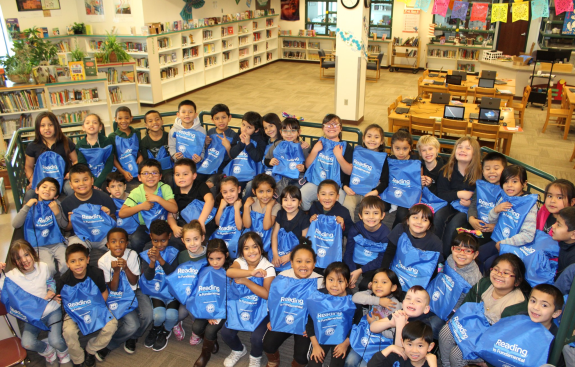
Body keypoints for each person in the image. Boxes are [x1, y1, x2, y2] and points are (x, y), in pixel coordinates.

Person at [438, 253, 530, 367]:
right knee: (445, 332)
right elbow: (467, 304)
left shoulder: (518, 306)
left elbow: (508, 342)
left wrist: (488, 362)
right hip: (473, 326)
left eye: (506, 273)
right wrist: (455, 319)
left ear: (518, 280)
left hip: (490, 342)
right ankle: (445, 364)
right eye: (496, 270)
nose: (499, 275)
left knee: (457, 354)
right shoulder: (484, 284)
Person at [0, 240, 70, 365]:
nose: (24, 260)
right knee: (27, 343)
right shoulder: (11, 277)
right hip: (33, 317)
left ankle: (64, 354)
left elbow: (51, 280)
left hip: (52, 309)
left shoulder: (43, 266)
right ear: (15, 261)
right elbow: (3, 290)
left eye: (26, 255)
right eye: (18, 258)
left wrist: (51, 290)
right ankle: (48, 351)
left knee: (56, 341)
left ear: (33, 254)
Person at [58, 244, 119, 367]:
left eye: (81, 259)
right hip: (74, 311)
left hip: (95, 306)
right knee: (68, 331)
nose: (78, 264)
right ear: (67, 264)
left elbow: (104, 292)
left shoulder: (96, 273)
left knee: (112, 325)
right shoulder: (64, 280)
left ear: (87, 259)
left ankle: (91, 349)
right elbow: (61, 300)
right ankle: (78, 359)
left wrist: (97, 310)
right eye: (73, 261)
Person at [263, 244, 323, 367]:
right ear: (291, 263)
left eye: (308, 262)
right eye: (299, 261)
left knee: (302, 358)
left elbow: (323, 310)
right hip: (283, 319)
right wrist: (272, 318)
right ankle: (274, 361)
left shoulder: (320, 282)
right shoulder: (282, 277)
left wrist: (314, 328)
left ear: (314, 264)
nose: (303, 266)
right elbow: (274, 301)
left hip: (305, 326)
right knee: (267, 344)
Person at [96, 228, 152, 360]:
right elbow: (113, 289)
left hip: (134, 290)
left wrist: (125, 268)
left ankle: (133, 337)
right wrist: (116, 271)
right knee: (132, 325)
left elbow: (134, 281)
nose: (118, 245)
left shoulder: (132, 255)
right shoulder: (103, 261)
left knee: (149, 315)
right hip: (118, 295)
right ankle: (110, 345)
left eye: (122, 241)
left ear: (126, 243)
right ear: (107, 244)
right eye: (114, 242)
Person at [222, 232, 276, 367]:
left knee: (256, 338)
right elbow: (229, 272)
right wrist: (251, 273)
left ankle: (255, 356)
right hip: (242, 304)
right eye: (246, 248)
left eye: (255, 247)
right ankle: (238, 350)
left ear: (261, 249)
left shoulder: (268, 267)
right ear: (241, 251)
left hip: (263, 309)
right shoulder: (240, 261)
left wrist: (246, 281)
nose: (251, 251)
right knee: (226, 332)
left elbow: (266, 294)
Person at [477, 165, 538, 272]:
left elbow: (528, 235)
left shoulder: (529, 205)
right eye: (505, 182)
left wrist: (505, 243)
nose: (509, 186)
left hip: (514, 247)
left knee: (491, 265)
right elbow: (491, 220)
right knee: (477, 254)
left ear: (524, 184)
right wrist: (496, 210)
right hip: (497, 239)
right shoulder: (504, 197)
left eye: (514, 181)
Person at [426, 233, 482, 338]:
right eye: (458, 249)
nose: (462, 254)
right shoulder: (451, 259)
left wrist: (454, 316)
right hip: (439, 294)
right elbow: (442, 272)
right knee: (416, 310)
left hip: (452, 310)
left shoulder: (474, 279)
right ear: (452, 249)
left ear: (475, 254)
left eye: (468, 251)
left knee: (432, 325)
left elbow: (470, 304)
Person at [344, 269, 403, 367]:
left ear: (393, 287)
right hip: (364, 338)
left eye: (384, 282)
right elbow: (355, 297)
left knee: (365, 365)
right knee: (350, 361)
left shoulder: (396, 306)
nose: (379, 285)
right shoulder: (373, 295)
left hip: (381, 344)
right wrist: (378, 300)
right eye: (375, 282)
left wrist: (374, 324)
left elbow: (394, 335)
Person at [118, 159, 178, 253]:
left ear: (160, 176)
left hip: (165, 223)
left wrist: (158, 198)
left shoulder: (165, 188)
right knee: (135, 241)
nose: (150, 176)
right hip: (145, 226)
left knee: (176, 239)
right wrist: (141, 206)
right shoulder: (136, 192)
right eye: (145, 173)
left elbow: (174, 209)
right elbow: (122, 213)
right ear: (139, 177)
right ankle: (141, 262)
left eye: (154, 173)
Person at [435, 137, 482, 257]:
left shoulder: (479, 173)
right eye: (459, 147)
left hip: (467, 209)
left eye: (467, 148)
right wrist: (459, 194)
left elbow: (483, 197)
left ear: (474, 153)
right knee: (438, 217)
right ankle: (434, 253)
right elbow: (441, 194)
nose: (462, 150)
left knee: (455, 225)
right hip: (449, 203)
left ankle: (445, 256)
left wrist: (471, 203)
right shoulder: (447, 170)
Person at [12, 177, 68, 275]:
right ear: (37, 190)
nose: (47, 190)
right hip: (38, 246)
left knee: (66, 264)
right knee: (49, 267)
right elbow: (16, 224)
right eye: (44, 187)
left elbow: (64, 225)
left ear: (56, 196)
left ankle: (64, 283)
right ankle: (51, 286)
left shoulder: (56, 204)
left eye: (52, 189)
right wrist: (27, 206)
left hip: (57, 243)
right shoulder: (30, 206)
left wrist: (57, 213)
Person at [62, 164, 117, 261]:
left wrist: (107, 216)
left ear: (92, 181)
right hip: (79, 236)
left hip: (103, 235)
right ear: (70, 185)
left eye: (85, 179)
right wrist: (71, 222)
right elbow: (66, 229)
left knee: (118, 247)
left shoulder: (103, 197)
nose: (81, 183)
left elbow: (114, 220)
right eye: (76, 181)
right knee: (74, 253)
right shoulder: (66, 203)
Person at [140, 220, 180, 352]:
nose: (159, 244)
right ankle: (156, 328)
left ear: (169, 236)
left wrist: (160, 260)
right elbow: (148, 277)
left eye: (163, 240)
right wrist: (152, 262)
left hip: (172, 292)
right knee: (158, 316)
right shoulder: (146, 250)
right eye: (155, 241)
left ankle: (165, 331)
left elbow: (173, 275)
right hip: (156, 291)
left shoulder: (175, 250)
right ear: (150, 236)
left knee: (172, 316)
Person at [301, 114, 353, 210]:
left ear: (341, 128)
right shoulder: (317, 143)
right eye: (328, 125)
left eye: (335, 124)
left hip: (336, 185)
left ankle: (330, 221)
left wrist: (339, 156)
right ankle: (310, 218)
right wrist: (314, 151)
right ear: (323, 128)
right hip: (316, 183)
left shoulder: (346, 147)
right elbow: (307, 165)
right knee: (302, 195)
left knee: (339, 200)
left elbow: (349, 171)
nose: (331, 127)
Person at [190, 239, 230, 367]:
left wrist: (216, 314)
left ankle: (204, 355)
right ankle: (211, 342)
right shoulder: (205, 270)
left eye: (219, 258)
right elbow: (201, 293)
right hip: (207, 307)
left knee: (210, 330)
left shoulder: (231, 271)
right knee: (196, 327)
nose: (214, 262)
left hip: (224, 309)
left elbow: (231, 297)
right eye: (211, 258)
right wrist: (207, 312)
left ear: (226, 255)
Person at [306, 262, 354, 367]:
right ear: (325, 280)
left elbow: (357, 324)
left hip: (343, 338)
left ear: (347, 283)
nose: (335, 285)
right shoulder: (317, 297)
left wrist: (345, 344)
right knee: (314, 364)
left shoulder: (353, 301)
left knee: (337, 364)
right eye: (331, 280)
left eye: (340, 281)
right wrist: (315, 345)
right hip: (321, 334)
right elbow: (310, 322)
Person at [24, 111, 78, 201]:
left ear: (56, 126)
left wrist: (71, 173)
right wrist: (32, 180)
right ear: (38, 128)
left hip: (63, 179)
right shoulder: (33, 146)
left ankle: (72, 212)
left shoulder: (66, 142)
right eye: (42, 125)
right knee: (30, 194)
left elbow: (76, 160)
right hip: (41, 181)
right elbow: (28, 166)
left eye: (50, 125)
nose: (47, 128)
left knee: (70, 188)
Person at [173, 220, 209, 343]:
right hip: (187, 294)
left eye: (196, 239)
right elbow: (179, 278)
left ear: (202, 238)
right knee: (179, 314)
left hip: (203, 295)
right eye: (188, 240)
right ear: (183, 241)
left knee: (193, 310)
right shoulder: (182, 255)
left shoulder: (209, 255)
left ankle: (196, 330)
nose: (192, 243)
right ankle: (177, 324)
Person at [344, 196, 391, 290]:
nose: (371, 217)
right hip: (355, 259)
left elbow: (381, 259)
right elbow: (348, 251)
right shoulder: (355, 229)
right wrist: (353, 271)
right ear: (360, 216)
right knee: (341, 277)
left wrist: (360, 271)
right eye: (367, 213)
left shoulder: (386, 234)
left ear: (382, 215)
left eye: (376, 213)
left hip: (373, 264)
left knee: (365, 286)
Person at [343, 124, 388, 222]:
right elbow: (348, 172)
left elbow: (385, 181)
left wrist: (375, 192)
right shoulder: (357, 152)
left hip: (371, 192)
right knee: (347, 206)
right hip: (353, 191)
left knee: (371, 211)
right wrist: (345, 186)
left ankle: (368, 233)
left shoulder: (383, 159)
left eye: (376, 137)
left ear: (381, 141)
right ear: (363, 139)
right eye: (369, 136)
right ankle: (350, 232)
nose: (372, 140)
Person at [167, 158, 216, 241]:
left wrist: (201, 221)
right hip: (187, 228)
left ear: (194, 176)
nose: (181, 177)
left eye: (185, 174)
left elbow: (210, 199)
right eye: (177, 174)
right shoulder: (174, 193)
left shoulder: (200, 186)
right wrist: (174, 227)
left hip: (205, 223)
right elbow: (171, 214)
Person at [387, 203, 444, 269]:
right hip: (398, 267)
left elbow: (438, 265)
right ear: (408, 220)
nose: (419, 222)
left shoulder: (435, 242)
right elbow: (389, 252)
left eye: (425, 220)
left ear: (429, 226)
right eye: (415, 217)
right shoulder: (399, 229)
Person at [467, 152, 507, 246]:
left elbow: (509, 215)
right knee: (459, 236)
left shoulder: (508, 189)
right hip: (479, 224)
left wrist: (496, 226)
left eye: (496, 168)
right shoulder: (482, 186)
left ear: (505, 170)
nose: (492, 172)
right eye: (487, 169)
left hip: (496, 230)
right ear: (483, 171)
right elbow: (474, 204)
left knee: (475, 246)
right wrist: (471, 218)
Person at [197, 103, 238, 193]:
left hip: (221, 168)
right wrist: (206, 144)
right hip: (207, 165)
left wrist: (228, 147)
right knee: (195, 180)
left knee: (210, 184)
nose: (220, 121)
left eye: (223, 117)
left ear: (229, 118)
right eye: (217, 118)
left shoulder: (233, 135)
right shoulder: (210, 132)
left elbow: (233, 157)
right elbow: (205, 151)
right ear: (212, 120)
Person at [263, 117, 311, 195]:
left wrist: (304, 168)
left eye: (293, 131)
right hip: (280, 177)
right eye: (285, 131)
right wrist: (270, 162)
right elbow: (266, 160)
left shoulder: (303, 147)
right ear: (281, 132)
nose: (289, 134)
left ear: (299, 132)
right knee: (275, 192)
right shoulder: (277, 145)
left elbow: (310, 166)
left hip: (297, 178)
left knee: (293, 194)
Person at [385, 128, 419, 229]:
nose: (401, 152)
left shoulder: (415, 162)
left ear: (410, 148)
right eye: (397, 148)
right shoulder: (390, 160)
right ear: (392, 148)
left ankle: (393, 239)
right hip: (391, 193)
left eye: (405, 148)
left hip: (408, 196)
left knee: (402, 214)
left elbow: (418, 184)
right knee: (377, 205)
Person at [225, 111, 266, 192]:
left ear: (256, 130)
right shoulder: (238, 135)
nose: (244, 129)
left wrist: (248, 144)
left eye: (249, 127)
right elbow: (232, 154)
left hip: (251, 174)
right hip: (236, 171)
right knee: (226, 186)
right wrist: (241, 143)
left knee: (244, 188)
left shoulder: (260, 140)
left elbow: (257, 157)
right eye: (243, 125)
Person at [270, 186, 310, 269]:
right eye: (285, 200)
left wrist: (290, 256)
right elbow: (274, 235)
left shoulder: (304, 218)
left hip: (296, 252)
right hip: (279, 249)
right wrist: (275, 254)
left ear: (300, 202)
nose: (289, 204)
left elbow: (305, 243)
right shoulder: (280, 214)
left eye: (293, 200)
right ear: (281, 201)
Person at [367, 321, 437, 367]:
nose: (414, 350)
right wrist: (390, 348)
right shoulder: (398, 357)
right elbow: (371, 365)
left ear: (430, 347)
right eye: (409, 344)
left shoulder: (431, 363)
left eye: (420, 346)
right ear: (402, 342)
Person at [243, 173, 281, 253]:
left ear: (274, 191)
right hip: (250, 241)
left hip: (266, 242)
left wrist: (269, 207)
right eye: (260, 191)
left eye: (268, 191)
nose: (265, 195)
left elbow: (266, 227)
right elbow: (247, 225)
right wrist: (246, 207)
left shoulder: (276, 206)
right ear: (254, 191)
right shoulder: (251, 202)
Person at [108, 106, 142, 191]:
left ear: (131, 118)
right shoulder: (112, 137)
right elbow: (113, 158)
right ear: (115, 119)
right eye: (120, 118)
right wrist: (123, 172)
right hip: (121, 170)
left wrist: (140, 155)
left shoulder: (136, 133)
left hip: (136, 168)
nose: (123, 121)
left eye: (126, 118)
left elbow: (137, 149)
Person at [76, 114, 114, 189]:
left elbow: (109, 164)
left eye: (95, 122)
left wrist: (98, 183)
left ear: (100, 127)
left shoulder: (106, 142)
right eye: (87, 123)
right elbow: (83, 166)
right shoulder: (80, 145)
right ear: (83, 127)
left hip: (105, 175)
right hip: (88, 176)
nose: (91, 125)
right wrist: (93, 181)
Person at [211, 176, 243, 258]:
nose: (229, 195)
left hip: (235, 238)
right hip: (222, 234)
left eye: (232, 191)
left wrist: (236, 209)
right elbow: (218, 223)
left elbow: (239, 227)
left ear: (239, 189)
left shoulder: (242, 205)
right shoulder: (223, 205)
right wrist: (221, 207)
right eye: (225, 192)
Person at [140, 110, 174, 187]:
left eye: (157, 119)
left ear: (162, 121)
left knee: (170, 178)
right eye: (150, 121)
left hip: (167, 169)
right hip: (152, 171)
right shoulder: (144, 142)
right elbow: (145, 161)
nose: (154, 122)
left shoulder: (169, 137)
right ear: (146, 125)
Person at [551, 206, 575, 277]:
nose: (553, 226)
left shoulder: (572, 259)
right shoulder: (564, 242)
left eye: (558, 225)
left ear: (573, 234)